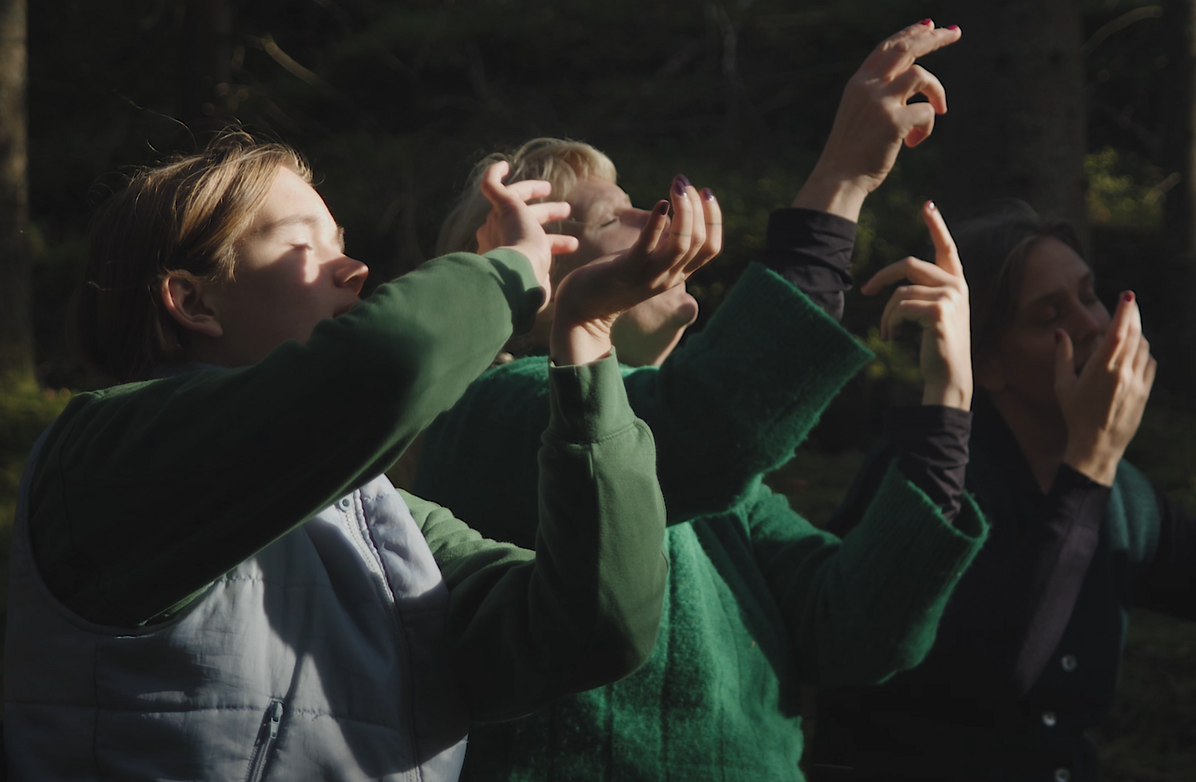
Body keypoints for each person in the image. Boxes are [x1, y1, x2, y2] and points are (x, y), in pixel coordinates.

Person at [3, 131, 694, 781]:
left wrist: (587, 334)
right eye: (303, 242)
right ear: (192, 299)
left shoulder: (384, 520)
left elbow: (593, 629)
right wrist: (509, 271)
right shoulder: (103, 463)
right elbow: (387, 363)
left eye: (344, 241)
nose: (358, 269)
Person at [413, 20, 988, 781]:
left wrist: (947, 400)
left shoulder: (717, 488)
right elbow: (713, 424)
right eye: (613, 213)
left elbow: (858, 631)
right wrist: (842, 178)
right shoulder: (488, 412)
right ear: (540, 272)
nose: (659, 212)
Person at [813, 199, 1196, 782]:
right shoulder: (930, 482)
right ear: (986, 364)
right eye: (1049, 316)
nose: (1093, 324)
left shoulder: (1120, 498)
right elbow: (996, 675)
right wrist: (1090, 462)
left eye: (1089, 295)